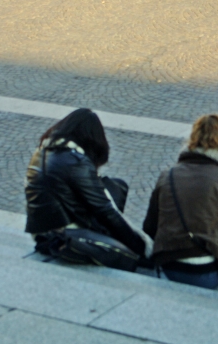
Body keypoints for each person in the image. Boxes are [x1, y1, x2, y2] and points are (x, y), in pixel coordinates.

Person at [144, 114, 218, 289]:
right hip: (206, 275)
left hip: (168, 267)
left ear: (192, 139)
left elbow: (149, 227)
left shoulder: (168, 175)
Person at [25, 108, 148, 263]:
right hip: (63, 235)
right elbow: (104, 210)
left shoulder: (44, 151)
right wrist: (139, 246)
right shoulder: (76, 161)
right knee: (124, 244)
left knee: (116, 186)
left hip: (43, 230)